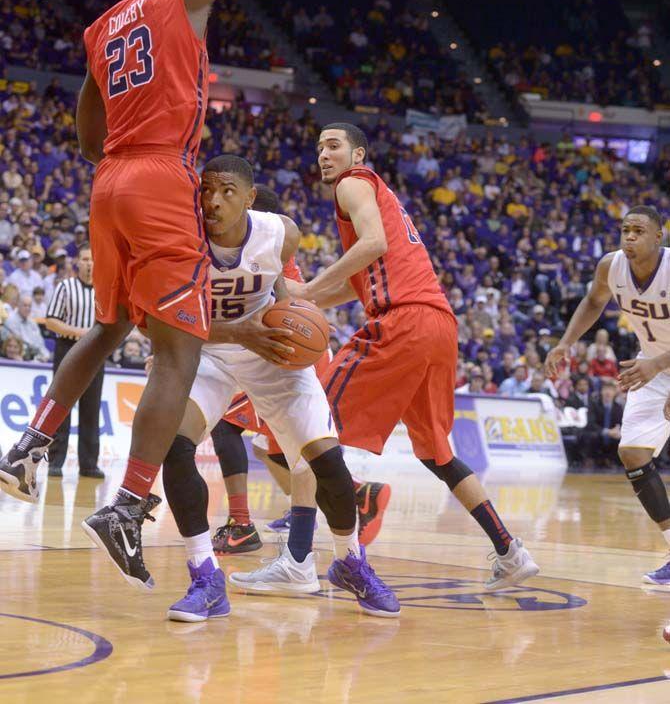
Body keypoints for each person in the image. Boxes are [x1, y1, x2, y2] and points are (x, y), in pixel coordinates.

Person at [0, 0, 367, 593]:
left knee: (109, 326)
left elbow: (86, 129)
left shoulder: (102, 29)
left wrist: (122, 168)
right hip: (163, 175)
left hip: (108, 185)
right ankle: (129, 502)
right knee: (178, 353)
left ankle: (31, 443)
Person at [288, 122, 539, 590]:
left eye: (334, 146)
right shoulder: (379, 195)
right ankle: (510, 551)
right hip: (438, 324)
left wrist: (304, 288)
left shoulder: (352, 185)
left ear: (358, 155)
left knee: (309, 424)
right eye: (319, 147)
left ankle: (301, 556)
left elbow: (373, 245)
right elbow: (359, 278)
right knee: (438, 453)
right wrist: (309, 299)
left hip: (401, 321)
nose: (324, 154)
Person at [162, 155, 399, 621]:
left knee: (327, 460)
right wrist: (233, 333)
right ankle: (205, 578)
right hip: (211, 350)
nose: (213, 200)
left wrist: (295, 328)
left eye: (227, 191)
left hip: (269, 351)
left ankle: (350, 560)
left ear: (250, 198)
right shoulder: (181, 238)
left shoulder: (280, 233)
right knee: (176, 444)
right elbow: (167, 318)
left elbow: (282, 292)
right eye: (207, 190)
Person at [207, 184, 390, 556]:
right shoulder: (260, 255)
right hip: (279, 347)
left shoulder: (264, 253)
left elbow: (287, 298)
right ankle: (333, 502)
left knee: (229, 427)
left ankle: (244, 525)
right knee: (274, 451)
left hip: (281, 351)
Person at [546, 206, 670, 586]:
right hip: (652, 365)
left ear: (658, 237)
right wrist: (566, 343)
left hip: (656, 364)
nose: (629, 237)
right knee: (632, 453)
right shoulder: (610, 267)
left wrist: (657, 365)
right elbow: (594, 301)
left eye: (639, 231)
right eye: (625, 230)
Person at [44, 246, 104, 477]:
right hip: (68, 349)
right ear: (77, 262)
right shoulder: (65, 287)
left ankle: (89, 464)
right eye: (85, 259)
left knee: (91, 409)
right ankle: (55, 462)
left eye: (93, 259)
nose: (89, 263)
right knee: (61, 406)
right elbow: (51, 321)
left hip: (96, 353)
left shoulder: (104, 289)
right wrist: (82, 333)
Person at [4, 294, 50, 362]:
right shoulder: (10, 320)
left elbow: (40, 343)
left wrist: (46, 355)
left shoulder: (33, 323)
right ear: (18, 306)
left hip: (36, 357)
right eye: (25, 305)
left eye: (29, 306)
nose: (27, 308)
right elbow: (22, 342)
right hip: (21, 356)